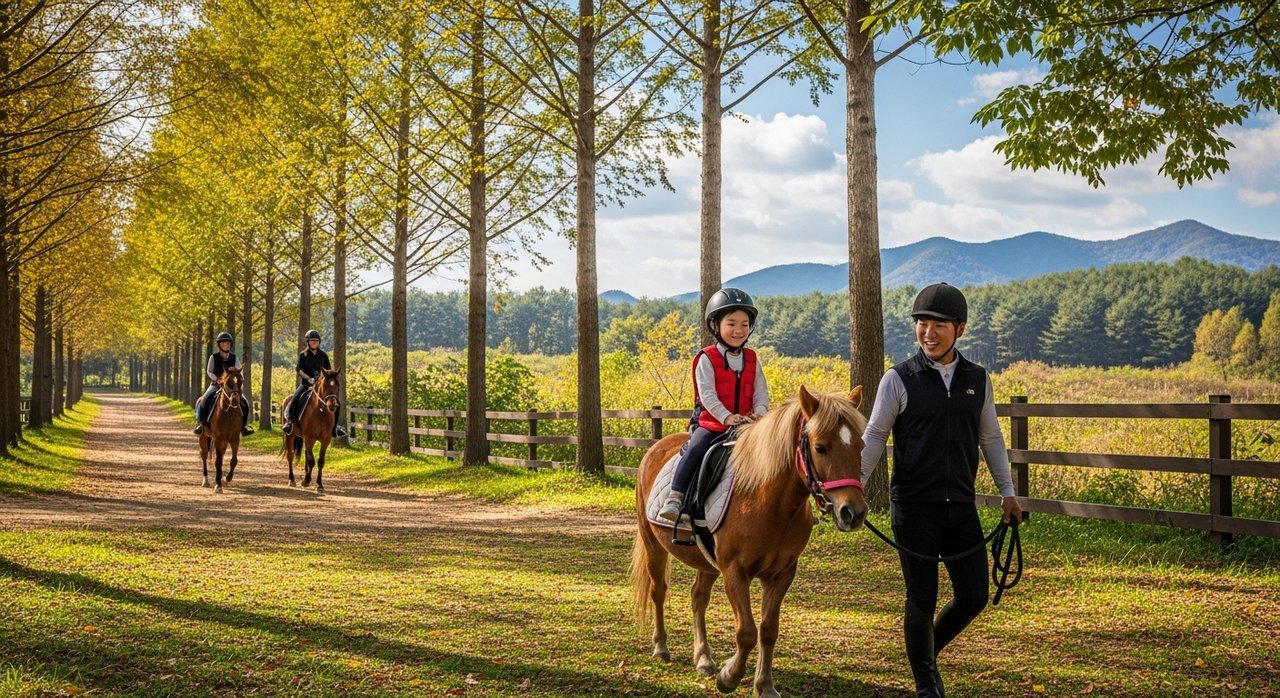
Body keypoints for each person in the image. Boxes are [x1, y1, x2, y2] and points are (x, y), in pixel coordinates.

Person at [859, 283, 1022, 698]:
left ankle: (924, 650)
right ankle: (926, 680)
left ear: (960, 329)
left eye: (939, 326)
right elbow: (875, 435)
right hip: (913, 507)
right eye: (922, 324)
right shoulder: (898, 379)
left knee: (973, 596)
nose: (929, 333)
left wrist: (1008, 493)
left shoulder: (977, 379)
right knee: (922, 596)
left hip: (960, 505)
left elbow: (991, 439)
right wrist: (854, 488)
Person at [658, 288, 769, 522]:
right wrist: (726, 417)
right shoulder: (706, 358)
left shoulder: (752, 359)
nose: (739, 330)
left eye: (744, 324)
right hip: (713, 424)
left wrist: (760, 415)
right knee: (697, 447)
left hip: (748, 425)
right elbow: (706, 394)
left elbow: (761, 392)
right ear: (715, 325)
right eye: (731, 323)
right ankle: (676, 496)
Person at [282, 329, 346, 438]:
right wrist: (308, 378)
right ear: (308, 342)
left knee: (335, 403)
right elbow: (299, 369)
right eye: (312, 341)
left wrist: (324, 379)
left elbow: (328, 370)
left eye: (316, 341)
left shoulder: (323, 355)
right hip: (306, 384)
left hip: (320, 385)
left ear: (319, 342)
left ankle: (335, 428)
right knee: (295, 398)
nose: (314, 343)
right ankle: (289, 422)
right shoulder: (304, 355)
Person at [193, 332, 254, 437]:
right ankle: (201, 424)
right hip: (215, 385)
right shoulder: (214, 357)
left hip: (230, 387)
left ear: (231, 345)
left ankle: (244, 427)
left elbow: (240, 371)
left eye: (228, 343)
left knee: (245, 402)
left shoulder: (234, 358)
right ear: (219, 345)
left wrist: (237, 378)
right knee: (204, 400)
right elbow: (209, 371)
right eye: (223, 343)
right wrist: (216, 379)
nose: (226, 345)